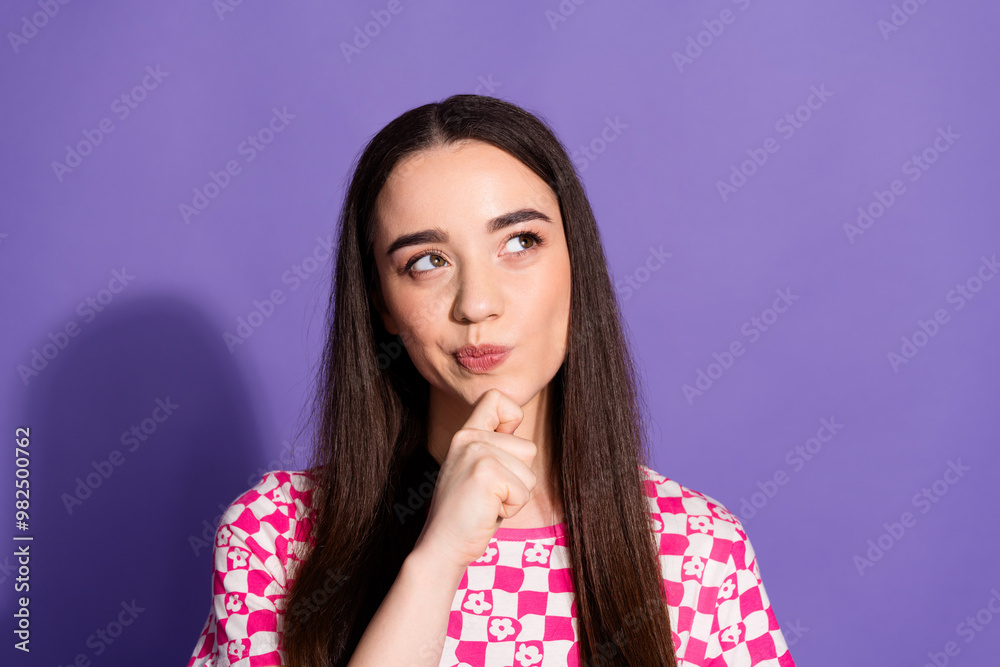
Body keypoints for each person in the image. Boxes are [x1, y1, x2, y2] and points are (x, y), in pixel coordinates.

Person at [186, 94, 797, 667]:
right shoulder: (278, 534)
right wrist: (437, 559)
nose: (477, 304)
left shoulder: (697, 549)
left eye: (520, 242)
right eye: (427, 261)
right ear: (382, 302)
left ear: (575, 262)